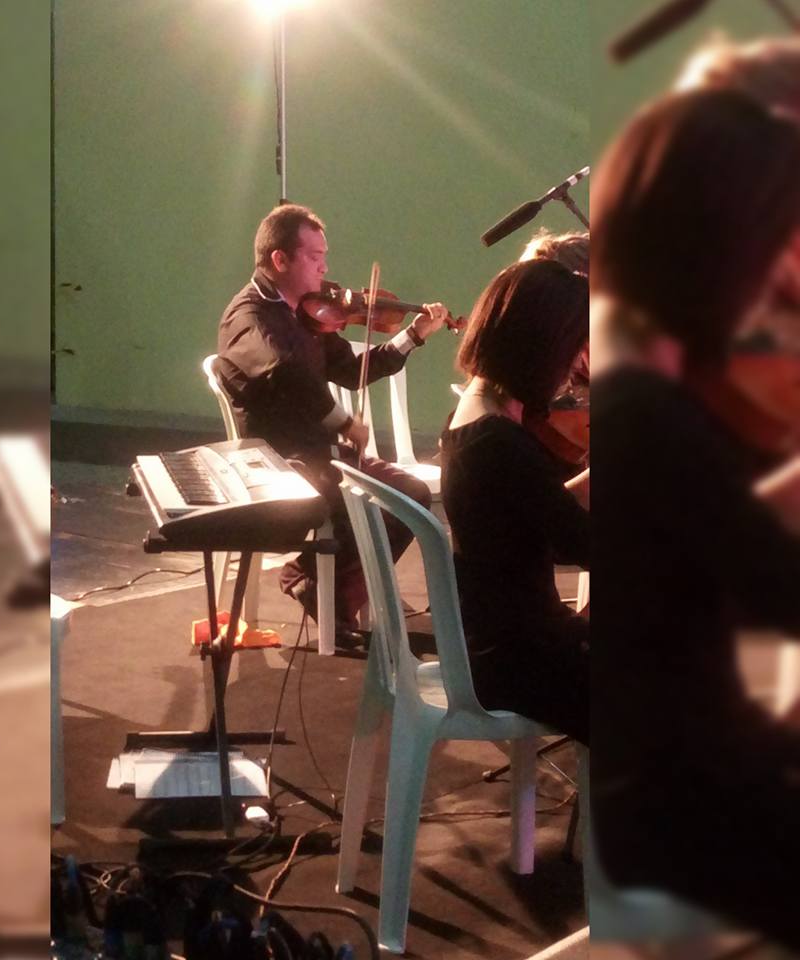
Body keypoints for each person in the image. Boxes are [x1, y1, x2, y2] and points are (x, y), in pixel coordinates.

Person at [590, 88, 800, 948]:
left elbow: (732, 545)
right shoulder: (649, 411)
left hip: (704, 766)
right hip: (680, 814)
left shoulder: (660, 396)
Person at [214, 203, 449, 647]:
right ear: (280, 259)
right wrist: (343, 421)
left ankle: (315, 583)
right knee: (377, 502)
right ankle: (327, 596)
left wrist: (413, 336)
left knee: (411, 496)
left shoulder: (305, 314)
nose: (325, 268)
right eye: (315, 257)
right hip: (283, 462)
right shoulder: (248, 316)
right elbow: (285, 372)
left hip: (323, 455)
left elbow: (353, 370)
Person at [440, 258, 589, 744]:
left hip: (497, 644)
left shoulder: (470, 416)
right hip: (523, 665)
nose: (576, 365)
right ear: (539, 346)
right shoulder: (498, 442)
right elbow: (582, 545)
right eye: (572, 348)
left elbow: (528, 512)